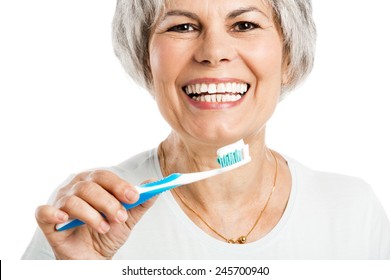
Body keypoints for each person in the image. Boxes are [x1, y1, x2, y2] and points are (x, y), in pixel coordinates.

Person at [22, 0, 390, 260]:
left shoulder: (353, 211)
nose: (213, 52)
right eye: (182, 26)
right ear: (146, 61)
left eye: (244, 24)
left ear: (288, 58)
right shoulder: (87, 217)